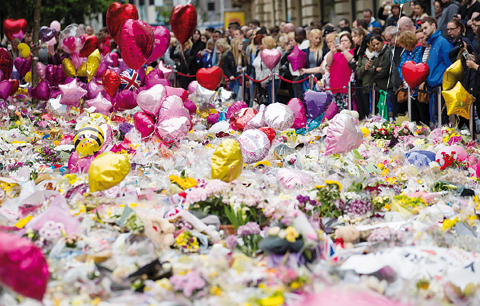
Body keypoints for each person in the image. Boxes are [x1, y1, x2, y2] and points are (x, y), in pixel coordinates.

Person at [303, 33, 354, 111]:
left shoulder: (352, 52)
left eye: (345, 41)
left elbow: (351, 60)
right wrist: (332, 51)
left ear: (350, 43)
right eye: (341, 41)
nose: (343, 42)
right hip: (334, 86)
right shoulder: (336, 54)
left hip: (345, 86)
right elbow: (328, 63)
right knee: (335, 109)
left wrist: (344, 50)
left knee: (345, 110)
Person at [421, 16, 453, 124]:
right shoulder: (432, 42)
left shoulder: (442, 42)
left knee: (439, 117)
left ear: (433, 25)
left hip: (440, 86)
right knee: (434, 117)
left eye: (425, 28)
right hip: (433, 86)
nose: (424, 31)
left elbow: (450, 65)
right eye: (422, 29)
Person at [397, 31, 429, 124]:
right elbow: (401, 66)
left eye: (403, 44)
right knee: (413, 116)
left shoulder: (420, 50)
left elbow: (421, 67)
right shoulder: (405, 53)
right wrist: (403, 78)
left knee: (423, 115)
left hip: (418, 89)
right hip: (408, 89)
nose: (402, 47)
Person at [368, 36, 393, 118]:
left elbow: (384, 71)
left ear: (382, 42)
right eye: (374, 45)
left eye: (377, 44)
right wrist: (375, 69)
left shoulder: (387, 52)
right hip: (379, 87)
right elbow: (370, 70)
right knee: (381, 113)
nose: (376, 47)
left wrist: (374, 72)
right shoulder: (376, 55)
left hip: (387, 86)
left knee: (389, 113)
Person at [356, 35, 377, 119]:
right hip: (365, 86)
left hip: (377, 87)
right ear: (368, 44)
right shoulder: (362, 56)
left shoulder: (378, 54)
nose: (375, 46)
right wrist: (365, 67)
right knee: (366, 109)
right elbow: (358, 72)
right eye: (373, 43)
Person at [280, 32, 302, 99]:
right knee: (292, 95)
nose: (290, 43)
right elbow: (282, 61)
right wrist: (287, 52)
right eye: (289, 41)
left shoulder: (300, 49)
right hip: (290, 75)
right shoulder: (291, 50)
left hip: (298, 75)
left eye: (291, 40)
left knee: (298, 94)